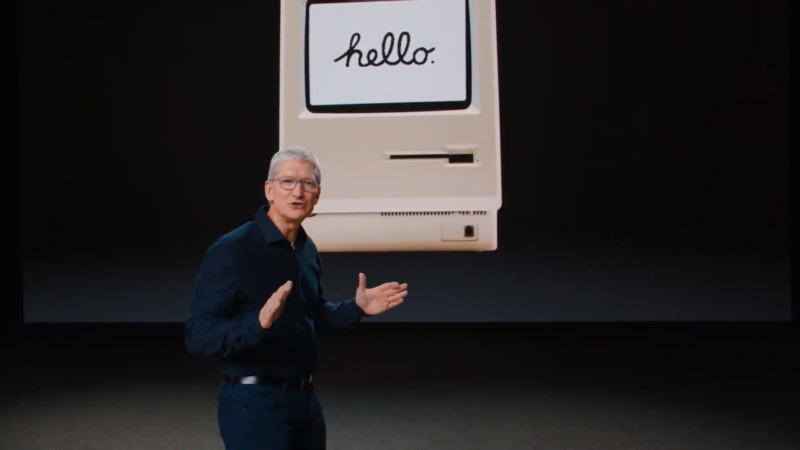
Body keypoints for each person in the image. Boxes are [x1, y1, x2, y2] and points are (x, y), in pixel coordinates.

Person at [184, 147, 408, 450]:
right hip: (253, 406)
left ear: (318, 195)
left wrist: (357, 308)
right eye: (287, 182)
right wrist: (258, 323)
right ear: (269, 190)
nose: (298, 192)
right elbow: (198, 336)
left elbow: (313, 315)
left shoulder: (306, 249)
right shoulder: (233, 250)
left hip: (304, 402)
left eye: (307, 184)